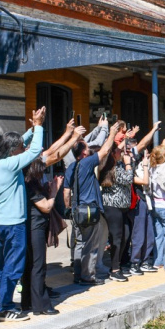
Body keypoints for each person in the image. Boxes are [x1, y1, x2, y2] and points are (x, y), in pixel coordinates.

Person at [0, 107, 46, 322]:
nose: (23, 148)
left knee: (2, 266)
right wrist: (39, 126)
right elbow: (34, 152)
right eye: (20, 147)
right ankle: (5, 308)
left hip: (1, 223)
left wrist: (32, 127)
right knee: (13, 267)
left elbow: (20, 142)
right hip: (14, 225)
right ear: (13, 151)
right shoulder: (12, 165)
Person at [64, 122, 120, 285]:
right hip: (90, 210)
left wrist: (68, 207)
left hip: (77, 211)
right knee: (91, 245)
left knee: (79, 244)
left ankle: (77, 275)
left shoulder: (71, 167)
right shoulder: (86, 163)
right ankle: (88, 276)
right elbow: (103, 152)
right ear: (82, 153)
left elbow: (66, 191)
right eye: (86, 147)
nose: (89, 148)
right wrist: (111, 133)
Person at [20, 158, 63, 315]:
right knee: (38, 266)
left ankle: (27, 302)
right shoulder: (31, 184)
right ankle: (41, 305)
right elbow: (46, 206)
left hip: (31, 226)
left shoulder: (28, 182)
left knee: (30, 265)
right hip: (35, 227)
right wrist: (54, 191)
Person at [100, 146, 135, 282]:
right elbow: (128, 179)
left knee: (125, 236)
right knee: (117, 238)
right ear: (113, 154)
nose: (123, 153)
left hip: (122, 207)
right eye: (120, 151)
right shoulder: (112, 169)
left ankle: (116, 265)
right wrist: (128, 164)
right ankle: (115, 270)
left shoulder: (117, 166)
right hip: (112, 207)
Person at [128, 150, 155, 275]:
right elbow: (145, 181)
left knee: (149, 234)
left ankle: (145, 261)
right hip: (139, 204)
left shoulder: (147, 169)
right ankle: (134, 262)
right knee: (139, 234)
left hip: (148, 202)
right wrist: (144, 166)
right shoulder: (134, 172)